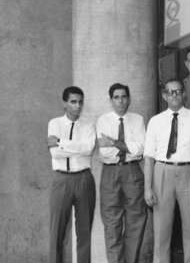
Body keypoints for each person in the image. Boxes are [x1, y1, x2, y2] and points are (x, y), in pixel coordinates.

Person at [143, 79, 190, 263]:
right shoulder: (155, 121)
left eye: (178, 92)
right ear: (164, 96)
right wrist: (147, 188)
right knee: (162, 226)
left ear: (184, 94)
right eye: (170, 92)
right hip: (163, 171)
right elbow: (148, 157)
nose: (175, 96)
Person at [96, 83, 147, 263]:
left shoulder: (138, 119)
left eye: (124, 96)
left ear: (129, 99)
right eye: (116, 97)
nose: (120, 101)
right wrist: (128, 146)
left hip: (132, 172)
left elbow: (141, 149)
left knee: (136, 221)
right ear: (111, 100)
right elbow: (104, 152)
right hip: (110, 173)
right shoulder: (103, 120)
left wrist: (115, 143)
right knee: (111, 223)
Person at [47, 86, 96, 263]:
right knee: (57, 231)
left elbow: (88, 148)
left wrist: (61, 142)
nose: (77, 106)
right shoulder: (55, 123)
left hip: (84, 178)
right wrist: (76, 147)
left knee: (84, 232)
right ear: (65, 103)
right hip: (61, 180)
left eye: (80, 102)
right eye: (73, 101)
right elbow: (55, 153)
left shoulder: (89, 125)